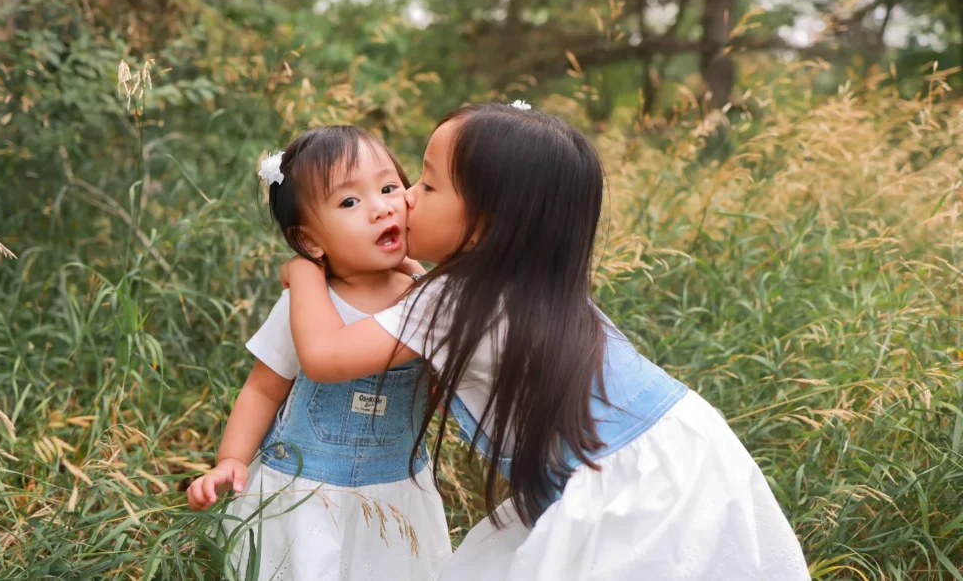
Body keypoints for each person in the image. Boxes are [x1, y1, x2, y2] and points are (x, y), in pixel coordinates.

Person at [281, 103, 810, 580]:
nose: (407, 200)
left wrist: (307, 274)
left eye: (427, 185)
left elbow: (325, 357)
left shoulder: (450, 300)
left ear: (489, 223)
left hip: (627, 493)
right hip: (686, 452)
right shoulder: (531, 283)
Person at [187, 126, 451, 581]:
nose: (380, 207)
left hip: (394, 491)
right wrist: (230, 459)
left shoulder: (424, 298)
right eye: (349, 202)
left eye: (389, 188)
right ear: (309, 241)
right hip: (306, 489)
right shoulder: (305, 304)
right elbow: (263, 389)